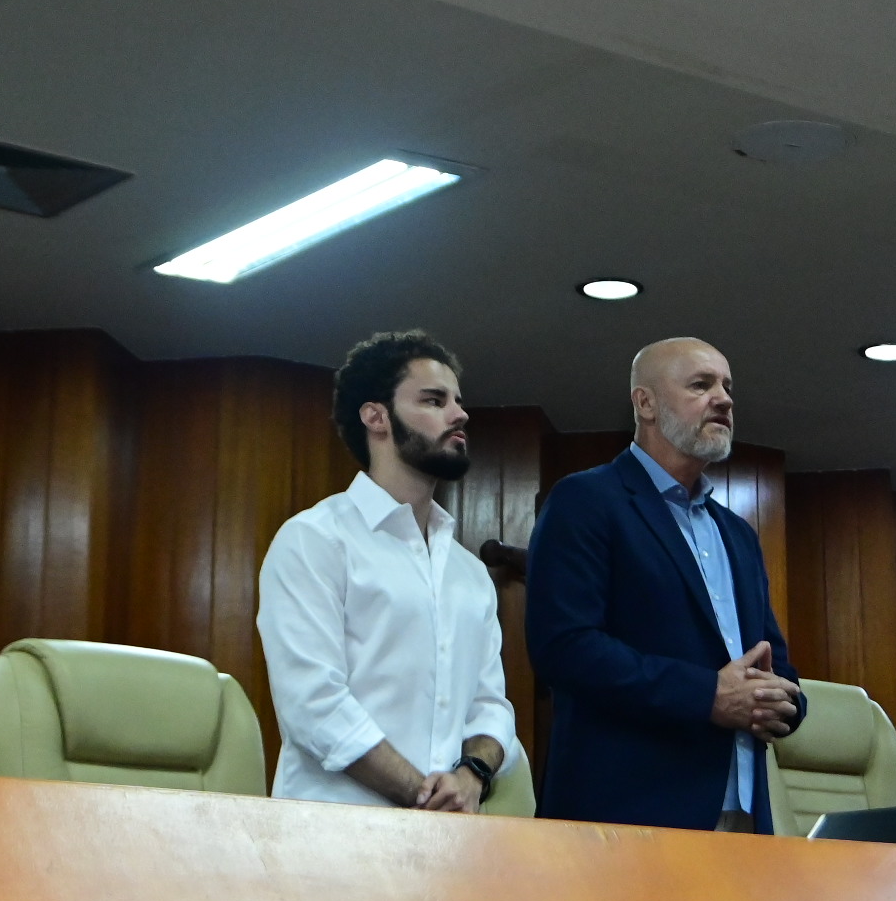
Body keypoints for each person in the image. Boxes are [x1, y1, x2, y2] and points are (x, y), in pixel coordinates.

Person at [526, 338, 804, 831]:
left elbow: (774, 663)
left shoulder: (737, 534)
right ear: (646, 403)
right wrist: (707, 695)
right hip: (626, 819)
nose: (724, 399)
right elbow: (564, 648)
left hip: (744, 814)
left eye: (727, 387)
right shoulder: (585, 500)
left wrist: (786, 702)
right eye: (701, 385)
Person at [258, 331, 519, 812]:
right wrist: (423, 797)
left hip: (451, 837)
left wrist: (471, 775)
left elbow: (491, 707)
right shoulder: (314, 539)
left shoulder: (469, 573)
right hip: (330, 834)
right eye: (434, 400)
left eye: (458, 401)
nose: (460, 415)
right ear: (376, 417)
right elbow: (313, 704)